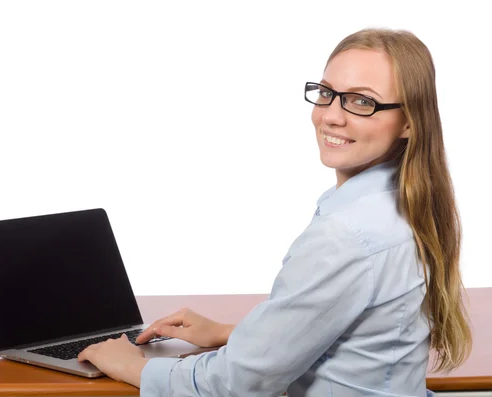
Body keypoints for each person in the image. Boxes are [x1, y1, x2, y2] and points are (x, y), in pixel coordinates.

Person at [76, 27, 472, 396]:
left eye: (361, 101)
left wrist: (134, 367)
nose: (331, 115)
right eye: (327, 92)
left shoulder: (348, 234)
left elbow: (238, 383)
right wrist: (235, 333)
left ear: (409, 122)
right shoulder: (403, 204)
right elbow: (359, 339)